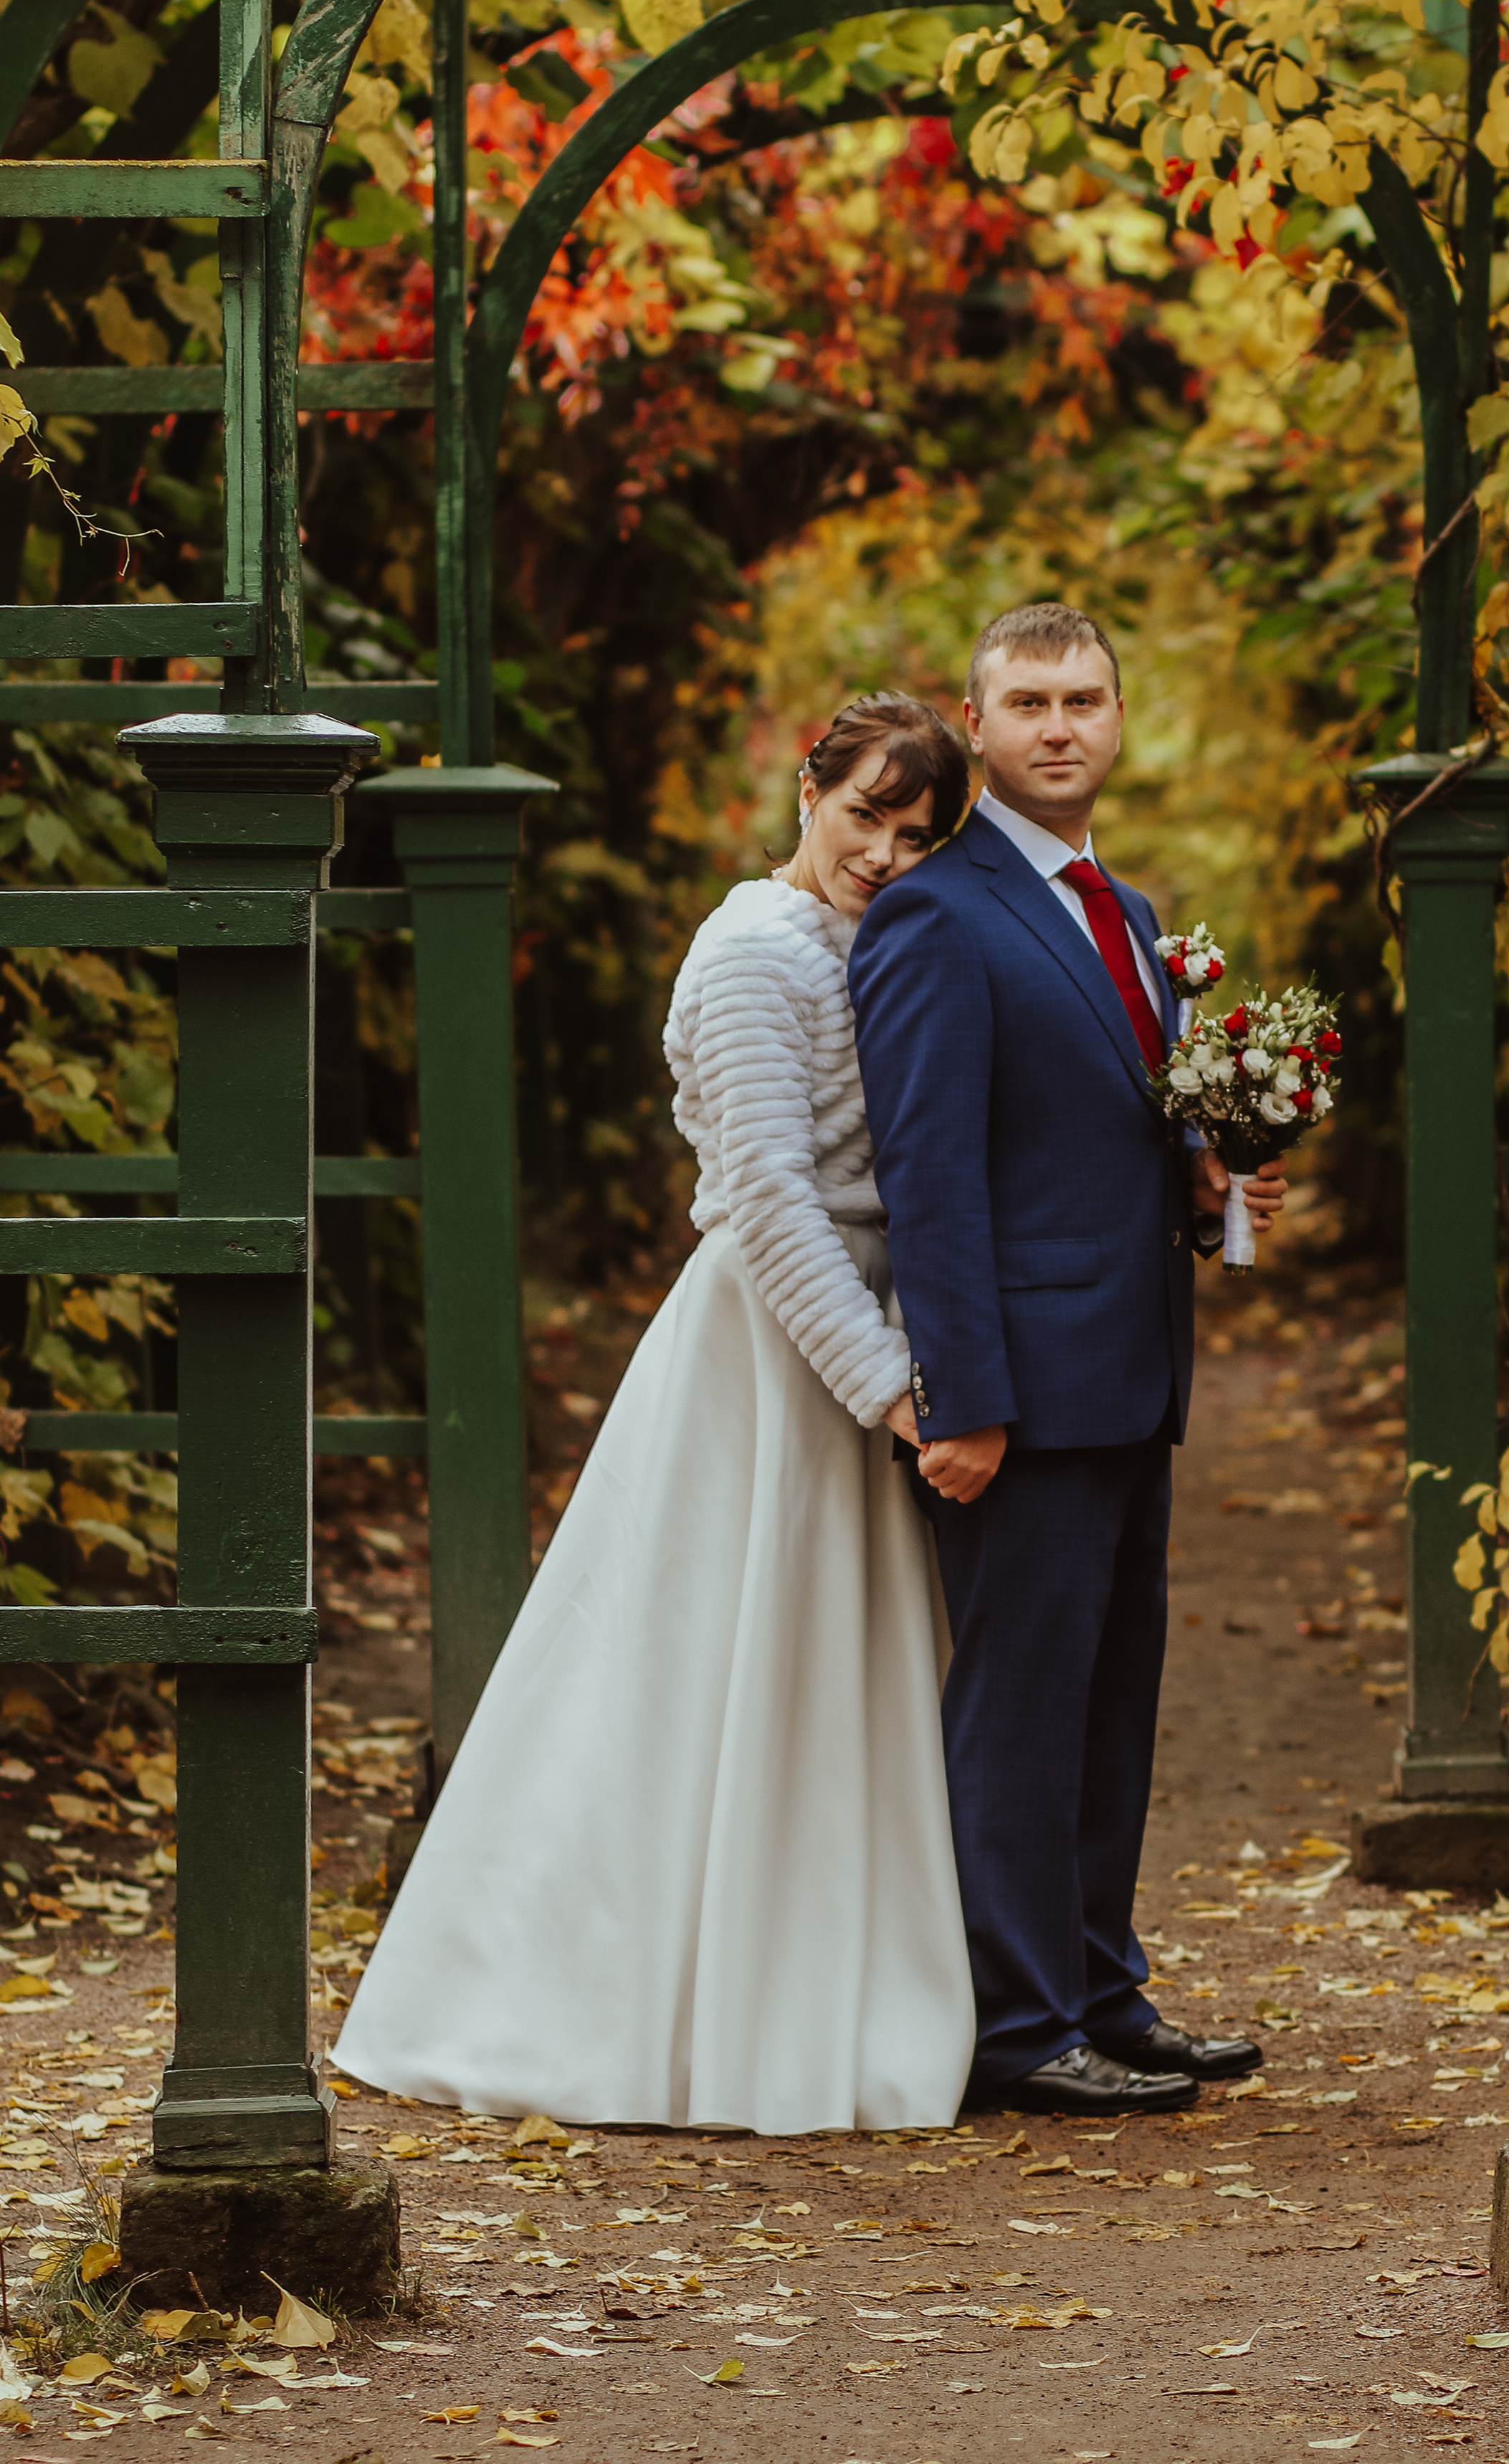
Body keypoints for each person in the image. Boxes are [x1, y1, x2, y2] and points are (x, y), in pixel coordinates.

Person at [333, 693, 977, 2134]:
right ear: (807, 789)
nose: (882, 851)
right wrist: (885, 1383)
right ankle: (646, 2008)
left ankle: (823, 1978)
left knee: (827, 1674)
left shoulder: (877, 942)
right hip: (780, 1343)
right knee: (704, 1665)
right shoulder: (751, 951)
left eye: (914, 833)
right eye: (863, 814)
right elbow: (770, 1200)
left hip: (872, 1324)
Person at [849, 601, 1288, 2120]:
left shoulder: (1133, 909)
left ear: (1116, 717)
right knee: (1022, 1711)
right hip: (1019, 1396)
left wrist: (1213, 1187)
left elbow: (1106, 1135)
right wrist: (962, 1399)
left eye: (1083, 699)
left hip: (1131, 1372)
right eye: (1028, 702)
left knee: (1108, 1704)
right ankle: (1019, 2025)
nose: (1058, 726)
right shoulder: (935, 912)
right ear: (976, 726)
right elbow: (929, 1174)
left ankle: (1104, 1992)